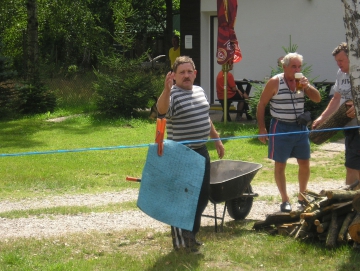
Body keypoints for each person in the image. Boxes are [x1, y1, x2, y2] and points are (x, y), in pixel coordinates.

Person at [157, 56, 225, 252]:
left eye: (189, 72)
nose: (186, 76)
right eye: (182, 72)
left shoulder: (199, 91)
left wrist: (216, 138)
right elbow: (161, 111)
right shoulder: (173, 95)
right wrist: (167, 89)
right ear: (174, 76)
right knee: (182, 199)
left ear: (195, 73)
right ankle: (180, 243)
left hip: (201, 152)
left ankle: (191, 235)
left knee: (202, 196)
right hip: (181, 154)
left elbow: (206, 117)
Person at [256, 52, 321, 212]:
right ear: (284, 67)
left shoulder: (300, 81)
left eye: (299, 66)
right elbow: (261, 104)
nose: (297, 69)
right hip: (281, 126)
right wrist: (262, 128)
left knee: (304, 162)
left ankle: (302, 196)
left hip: (300, 127)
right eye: (294, 66)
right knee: (280, 164)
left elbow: (317, 98)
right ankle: (285, 199)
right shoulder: (275, 82)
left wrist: (307, 86)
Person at [312, 42, 360, 187]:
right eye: (336, 61)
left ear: (351, 58)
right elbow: (336, 98)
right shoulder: (340, 73)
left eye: (341, 60)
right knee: (350, 165)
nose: (338, 64)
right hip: (349, 126)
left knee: (355, 166)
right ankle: (349, 202)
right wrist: (323, 117)